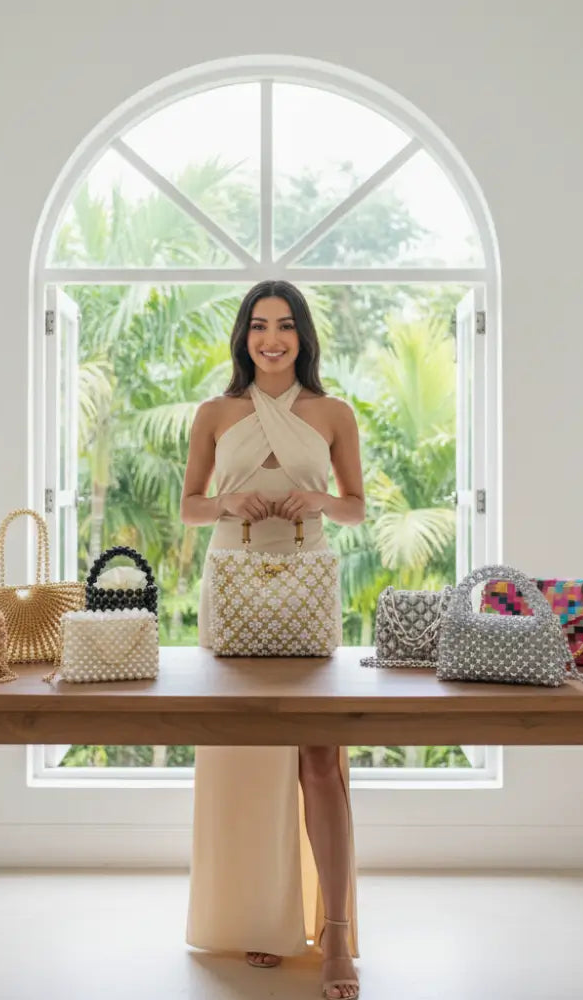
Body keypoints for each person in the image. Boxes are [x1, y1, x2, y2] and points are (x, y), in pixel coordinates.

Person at [180, 280, 364, 1000]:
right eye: (259, 326)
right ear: (243, 336)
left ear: (303, 335)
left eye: (285, 326)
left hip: (308, 590)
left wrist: (322, 501)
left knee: (319, 756)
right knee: (245, 755)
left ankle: (337, 931)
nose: (272, 339)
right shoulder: (215, 413)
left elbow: (355, 509)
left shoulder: (333, 412)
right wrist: (225, 500)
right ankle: (261, 918)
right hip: (234, 590)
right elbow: (192, 509)